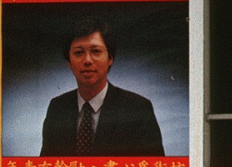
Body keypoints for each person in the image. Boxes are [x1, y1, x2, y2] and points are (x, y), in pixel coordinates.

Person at [39, 23, 164, 158]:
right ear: (69, 61)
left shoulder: (138, 109)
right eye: (78, 53)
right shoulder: (57, 108)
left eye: (96, 51)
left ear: (110, 58)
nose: (87, 60)